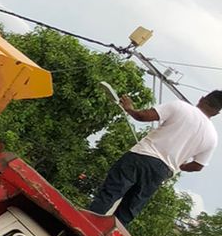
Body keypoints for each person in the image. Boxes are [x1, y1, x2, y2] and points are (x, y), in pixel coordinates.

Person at [88, 89, 222, 227]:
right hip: (161, 172)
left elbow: (143, 116)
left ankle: (85, 225)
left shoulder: (181, 107)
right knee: (128, 210)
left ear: (201, 99)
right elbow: (198, 166)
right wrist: (181, 165)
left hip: (141, 156)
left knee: (109, 194)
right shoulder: (212, 137)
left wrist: (130, 109)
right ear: (217, 112)